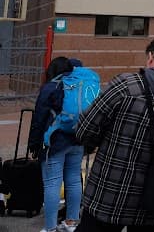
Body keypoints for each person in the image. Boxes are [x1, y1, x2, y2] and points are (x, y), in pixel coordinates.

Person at [75, 35, 154, 231]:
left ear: (150, 57)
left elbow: (84, 129)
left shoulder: (126, 85)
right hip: (153, 199)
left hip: (109, 193)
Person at [29, 57, 84, 232]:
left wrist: (34, 144)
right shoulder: (79, 86)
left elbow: (39, 119)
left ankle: (50, 227)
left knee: (52, 183)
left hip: (55, 143)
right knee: (74, 180)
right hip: (77, 140)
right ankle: (71, 223)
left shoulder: (50, 88)